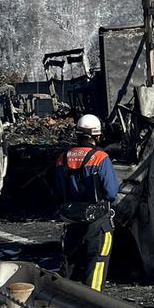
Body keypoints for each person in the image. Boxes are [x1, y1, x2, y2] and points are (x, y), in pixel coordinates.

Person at [54, 114, 119, 292]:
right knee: (96, 265)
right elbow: (111, 193)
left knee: (70, 266)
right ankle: (93, 302)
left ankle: (66, 301)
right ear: (97, 135)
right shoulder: (100, 158)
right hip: (98, 223)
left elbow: (58, 191)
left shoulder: (63, 158)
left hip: (71, 221)